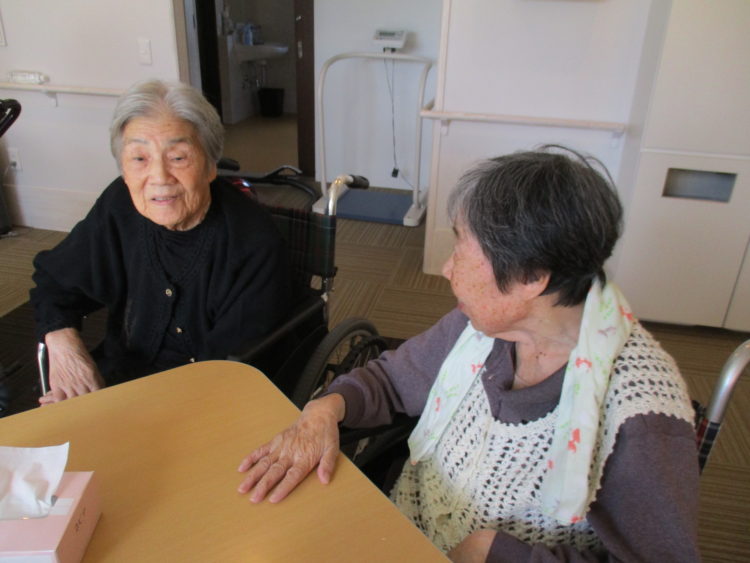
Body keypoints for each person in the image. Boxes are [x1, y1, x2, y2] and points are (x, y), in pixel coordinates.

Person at [236, 146, 700, 562]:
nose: (446, 267)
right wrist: (326, 408)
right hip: (403, 529)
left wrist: (493, 552)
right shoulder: (480, 328)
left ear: (531, 277)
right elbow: (393, 380)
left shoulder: (640, 415)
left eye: (461, 246)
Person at [31, 79, 291, 404]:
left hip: (201, 400)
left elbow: (222, 376)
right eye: (139, 158)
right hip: (117, 382)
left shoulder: (252, 243)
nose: (159, 177)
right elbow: (55, 280)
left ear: (211, 166)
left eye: (178, 158)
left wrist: (112, 413)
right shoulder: (120, 205)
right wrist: (64, 343)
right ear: (123, 169)